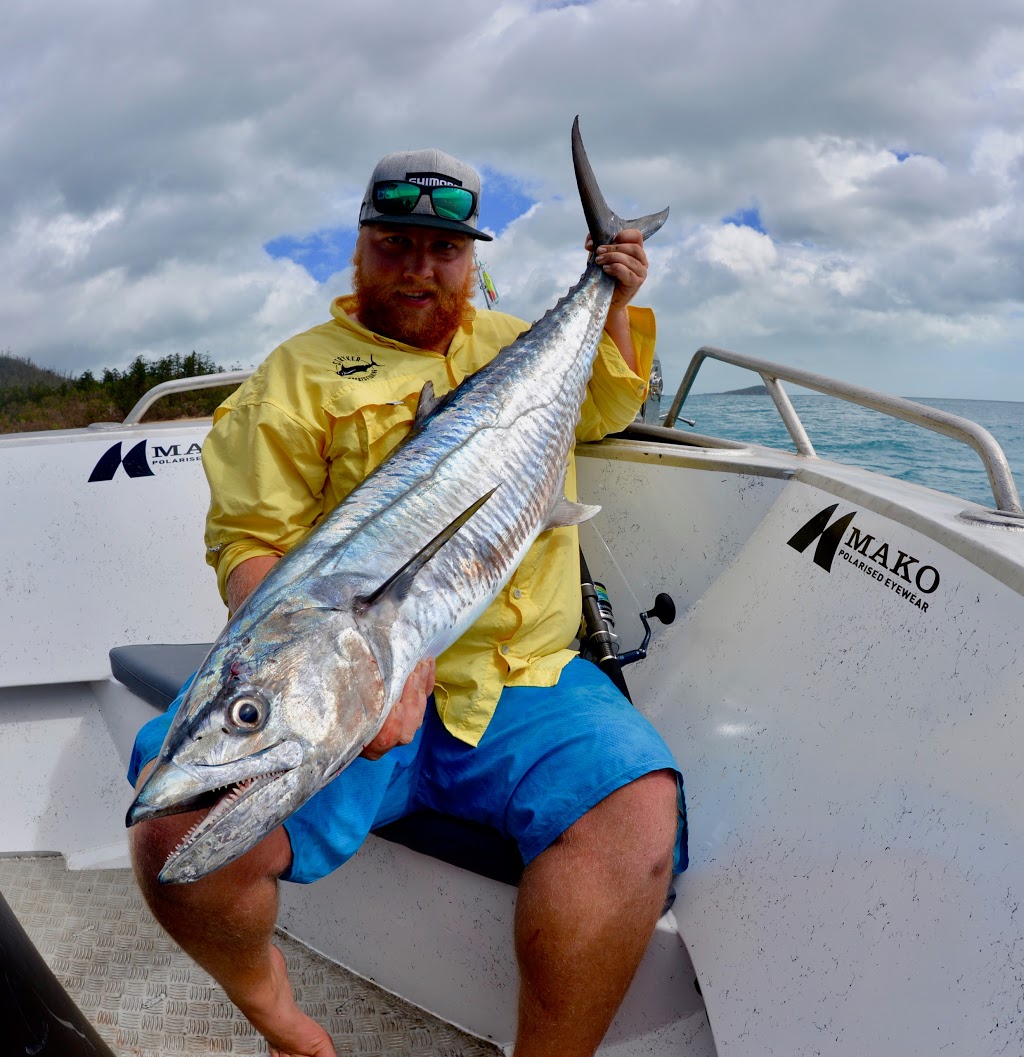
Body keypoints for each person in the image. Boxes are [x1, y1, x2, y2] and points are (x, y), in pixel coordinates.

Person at [128, 144, 688, 1057]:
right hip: (348, 664)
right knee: (174, 828)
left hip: (525, 673)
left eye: (445, 249)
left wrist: (611, 293)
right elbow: (250, 545)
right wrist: (362, 672)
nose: (420, 268)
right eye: (396, 244)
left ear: (472, 257)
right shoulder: (293, 376)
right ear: (359, 245)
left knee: (635, 813)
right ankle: (282, 1020)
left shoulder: (517, 346)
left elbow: (610, 406)